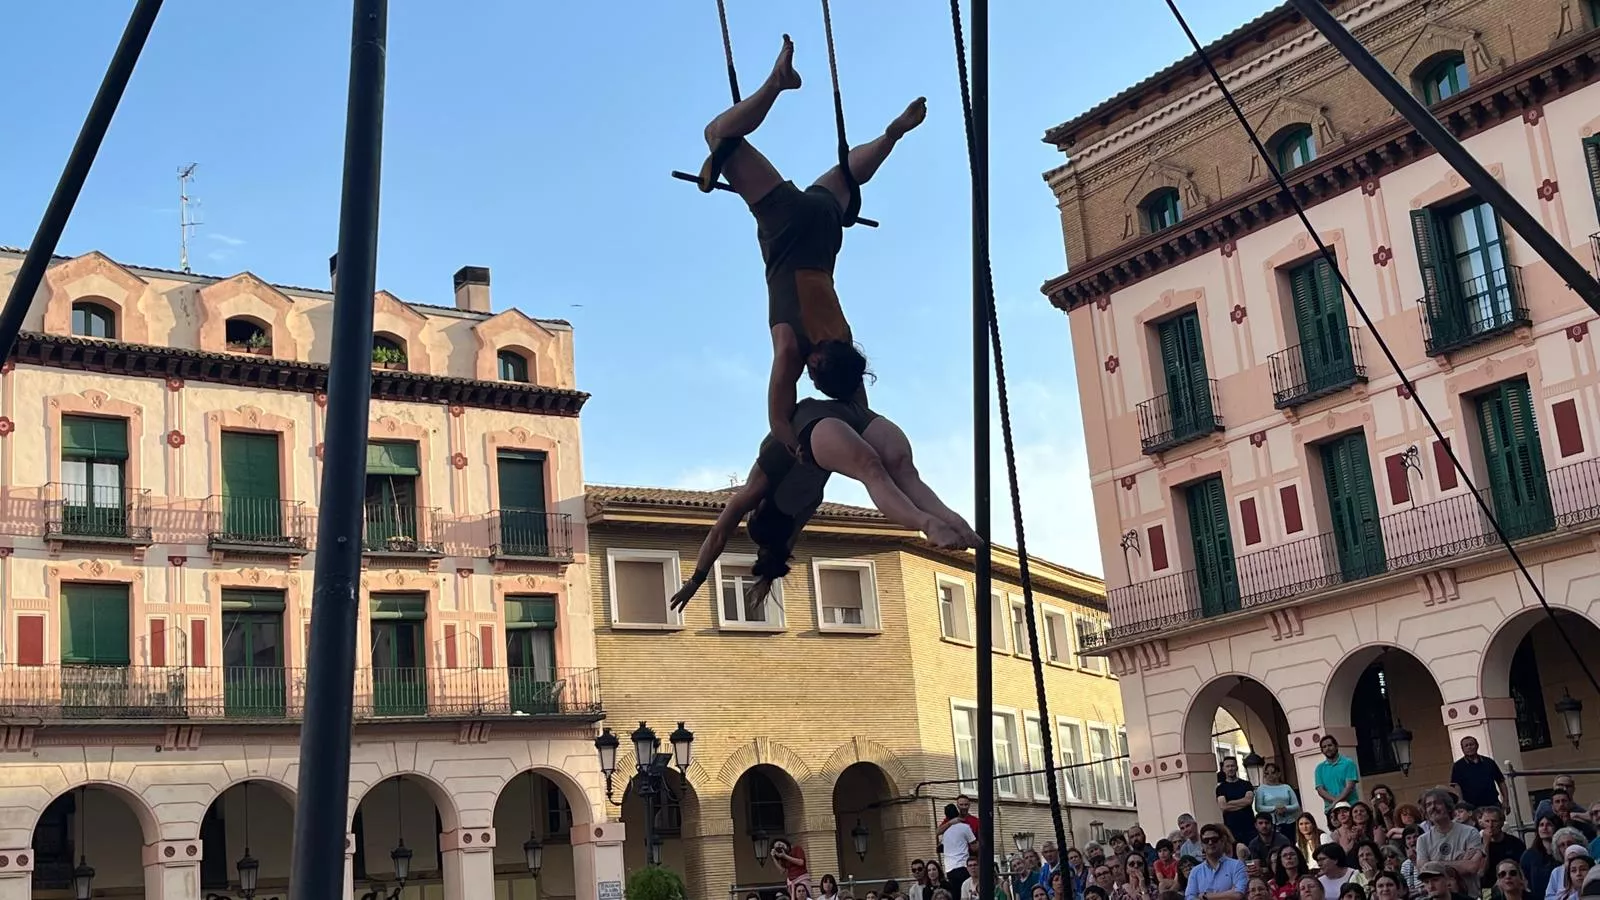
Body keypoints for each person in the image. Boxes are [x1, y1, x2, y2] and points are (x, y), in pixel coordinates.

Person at [668, 376, 976, 616]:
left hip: (840, 421)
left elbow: (778, 544)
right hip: (824, 421)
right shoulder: (761, 483)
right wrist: (697, 578)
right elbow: (719, 533)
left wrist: (758, 579)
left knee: (877, 471)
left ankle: (935, 523)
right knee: (903, 471)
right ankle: (946, 521)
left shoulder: (800, 511)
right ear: (759, 511)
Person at [1416, 788, 1486, 899]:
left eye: (1437, 803)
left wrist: (1434, 864)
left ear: (1448, 806)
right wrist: (1461, 861)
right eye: (1428, 805)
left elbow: (1472, 867)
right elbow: (1423, 869)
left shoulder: (1470, 832)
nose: (1433, 807)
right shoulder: (1422, 840)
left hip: (1469, 896)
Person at [1186, 823, 1248, 900]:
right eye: (1206, 840)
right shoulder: (1195, 872)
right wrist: (1229, 893)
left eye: (1214, 839)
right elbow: (1190, 897)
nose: (1210, 842)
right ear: (1202, 844)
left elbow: (1239, 894)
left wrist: (1206, 896)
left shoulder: (1237, 865)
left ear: (1222, 841)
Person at [1314, 738, 1361, 821]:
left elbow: (1349, 787)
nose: (1327, 748)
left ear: (1336, 746)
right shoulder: (1319, 768)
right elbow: (1320, 790)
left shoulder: (1348, 763)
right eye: (1324, 747)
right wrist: (1335, 802)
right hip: (1331, 810)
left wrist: (1335, 802)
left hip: (1350, 808)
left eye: (1330, 745)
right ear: (1322, 750)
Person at [1254, 764, 1302, 841]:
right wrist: (1275, 808)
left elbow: (1296, 805)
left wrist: (1285, 808)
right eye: (1267, 773)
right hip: (1271, 824)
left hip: (1289, 823)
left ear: (1278, 774)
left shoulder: (1286, 787)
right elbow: (1258, 807)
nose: (1270, 776)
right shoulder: (1261, 789)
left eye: (1273, 773)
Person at [1219, 759, 1259, 849]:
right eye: (1227, 766)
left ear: (1236, 767)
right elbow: (1223, 806)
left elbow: (1249, 801)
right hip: (1232, 829)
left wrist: (1230, 803)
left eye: (1232, 766)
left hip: (1250, 827)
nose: (1230, 769)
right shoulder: (1221, 788)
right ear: (1223, 769)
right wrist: (1242, 803)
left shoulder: (1246, 784)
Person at [941, 804, 978, 897]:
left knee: (956, 895)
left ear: (946, 817)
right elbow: (974, 846)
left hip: (949, 869)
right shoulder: (965, 827)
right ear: (958, 814)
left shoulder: (945, 831)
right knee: (967, 893)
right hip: (962, 865)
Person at [1480, 806, 1527, 873]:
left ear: (1501, 823)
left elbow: (1523, 868)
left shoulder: (1515, 843)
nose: (1490, 825)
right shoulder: (1478, 843)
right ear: (1482, 823)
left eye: (1494, 821)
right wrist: (1486, 844)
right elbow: (1481, 871)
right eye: (1487, 821)